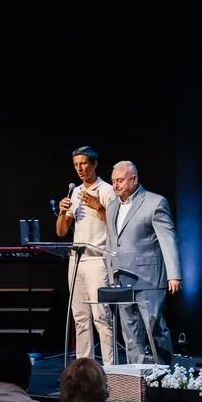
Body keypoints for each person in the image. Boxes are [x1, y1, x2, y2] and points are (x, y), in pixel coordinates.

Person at [106, 160, 182, 365]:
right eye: (113, 181)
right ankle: (135, 375)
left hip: (148, 278)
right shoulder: (112, 206)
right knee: (130, 332)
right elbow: (112, 241)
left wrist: (174, 274)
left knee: (154, 328)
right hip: (121, 278)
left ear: (134, 179)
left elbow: (168, 239)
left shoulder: (155, 202)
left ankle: (165, 372)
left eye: (120, 180)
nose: (116, 185)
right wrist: (110, 273)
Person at [56, 146, 116, 365]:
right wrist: (63, 211)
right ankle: (84, 367)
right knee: (80, 318)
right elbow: (61, 231)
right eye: (76, 165)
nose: (80, 169)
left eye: (83, 164)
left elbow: (117, 227)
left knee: (101, 315)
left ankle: (110, 368)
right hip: (76, 259)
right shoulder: (75, 191)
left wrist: (99, 207)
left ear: (94, 165)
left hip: (97, 260)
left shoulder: (107, 190)